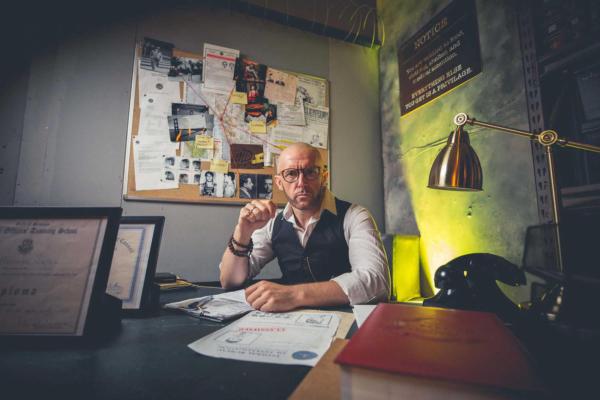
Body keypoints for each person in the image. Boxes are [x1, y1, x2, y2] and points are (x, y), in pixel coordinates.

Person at [220, 143, 390, 312]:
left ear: (324, 176)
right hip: (291, 324)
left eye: (310, 172)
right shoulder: (272, 223)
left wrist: (293, 295)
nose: (301, 183)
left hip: (346, 321)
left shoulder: (355, 216)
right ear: (279, 182)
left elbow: (376, 282)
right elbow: (230, 281)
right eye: (291, 174)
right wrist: (242, 233)